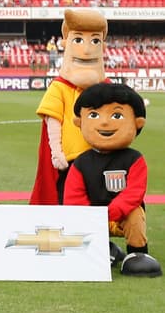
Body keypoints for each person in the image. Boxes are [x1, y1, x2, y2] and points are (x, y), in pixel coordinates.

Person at [63, 83, 161, 277]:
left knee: (135, 213)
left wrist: (109, 213)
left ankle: (137, 254)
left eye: (116, 115)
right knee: (76, 217)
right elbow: (73, 198)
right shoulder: (81, 163)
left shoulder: (135, 159)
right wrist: (92, 218)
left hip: (122, 217)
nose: (105, 123)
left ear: (137, 122)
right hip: (92, 218)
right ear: (79, 122)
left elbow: (134, 193)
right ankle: (103, 249)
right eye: (94, 115)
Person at [31, 9, 108, 205]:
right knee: (68, 202)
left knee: (100, 204)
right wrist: (56, 152)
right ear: (67, 43)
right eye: (79, 40)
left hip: (101, 158)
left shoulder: (106, 87)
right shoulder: (60, 87)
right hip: (70, 161)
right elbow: (53, 120)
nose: (87, 49)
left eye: (95, 41)